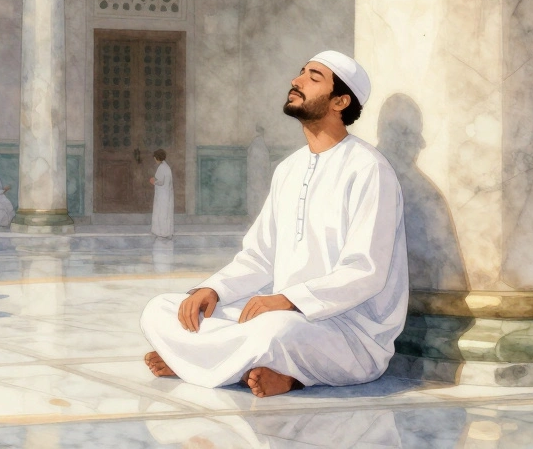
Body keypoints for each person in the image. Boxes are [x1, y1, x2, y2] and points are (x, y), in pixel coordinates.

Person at [140, 50, 408, 398]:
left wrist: (288, 300)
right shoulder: (289, 169)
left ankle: (212, 364)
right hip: (279, 311)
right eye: (300, 73)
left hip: (346, 329)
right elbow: (259, 257)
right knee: (160, 309)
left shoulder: (369, 169)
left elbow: (365, 272)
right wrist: (213, 289)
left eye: (313, 78)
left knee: (275, 332)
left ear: (340, 101)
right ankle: (235, 365)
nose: (296, 82)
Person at [150, 149, 174, 239]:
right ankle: (166, 232)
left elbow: (160, 182)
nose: (155, 160)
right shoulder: (167, 167)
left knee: (161, 213)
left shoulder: (162, 168)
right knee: (166, 213)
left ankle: (161, 233)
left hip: (162, 195)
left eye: (155, 158)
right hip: (167, 194)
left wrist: (153, 181)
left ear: (158, 158)